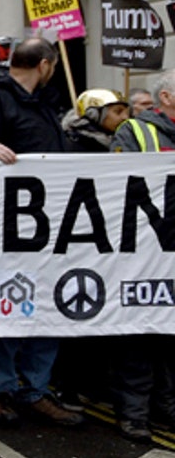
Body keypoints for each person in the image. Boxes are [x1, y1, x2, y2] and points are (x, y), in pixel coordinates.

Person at [0, 37, 83, 428]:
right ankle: (0, 388)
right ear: (47, 65)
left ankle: (35, 389)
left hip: (51, 223)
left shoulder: (44, 102)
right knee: (12, 303)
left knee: (49, 303)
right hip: (10, 226)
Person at [107, 71, 175, 442]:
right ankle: (134, 413)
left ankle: (168, 408)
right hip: (144, 251)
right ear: (166, 97)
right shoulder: (134, 132)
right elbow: (119, 182)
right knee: (140, 335)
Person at [63, 89, 130, 152]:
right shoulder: (74, 144)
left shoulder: (123, 142)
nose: (125, 117)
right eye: (118, 112)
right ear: (94, 114)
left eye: (127, 113)